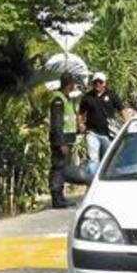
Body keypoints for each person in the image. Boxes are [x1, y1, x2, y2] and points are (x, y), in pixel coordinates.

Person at [78, 72, 125, 176]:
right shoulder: (87, 97)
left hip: (108, 134)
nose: (98, 84)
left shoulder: (112, 96)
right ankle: (92, 181)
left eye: (100, 82)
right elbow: (81, 113)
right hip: (92, 133)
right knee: (93, 159)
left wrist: (127, 125)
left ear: (105, 83)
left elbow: (122, 110)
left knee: (108, 160)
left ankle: (107, 180)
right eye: (95, 82)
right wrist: (81, 124)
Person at [48, 72, 79, 208]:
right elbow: (57, 124)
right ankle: (56, 198)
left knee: (63, 169)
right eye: (73, 83)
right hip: (61, 141)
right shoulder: (58, 100)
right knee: (58, 168)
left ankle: (61, 196)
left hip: (68, 140)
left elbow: (69, 120)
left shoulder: (67, 99)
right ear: (69, 84)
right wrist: (61, 143)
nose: (74, 86)